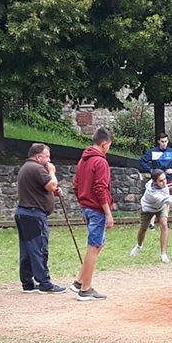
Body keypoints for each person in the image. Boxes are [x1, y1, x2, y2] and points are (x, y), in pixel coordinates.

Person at [14, 143, 67, 294]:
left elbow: (42, 188)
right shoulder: (37, 168)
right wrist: (52, 172)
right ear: (38, 157)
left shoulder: (26, 167)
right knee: (39, 248)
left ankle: (27, 282)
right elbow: (51, 184)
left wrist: (52, 191)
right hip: (34, 215)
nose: (49, 160)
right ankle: (44, 282)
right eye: (47, 157)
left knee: (27, 249)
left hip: (23, 213)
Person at [71, 127, 114, 301]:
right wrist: (108, 212)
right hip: (96, 209)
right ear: (104, 144)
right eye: (109, 145)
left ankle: (80, 281)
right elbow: (100, 188)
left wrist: (83, 204)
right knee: (94, 246)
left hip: (87, 207)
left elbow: (76, 185)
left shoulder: (83, 160)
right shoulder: (100, 162)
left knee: (98, 244)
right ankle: (85, 289)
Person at [130, 169, 172, 263]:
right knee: (143, 229)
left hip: (161, 207)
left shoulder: (162, 183)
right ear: (154, 181)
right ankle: (139, 246)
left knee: (164, 224)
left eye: (164, 179)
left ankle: (163, 254)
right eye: (161, 181)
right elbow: (167, 199)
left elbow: (167, 198)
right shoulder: (152, 192)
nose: (164, 182)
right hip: (148, 208)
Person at [139, 132, 172, 229]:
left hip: (168, 179)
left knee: (167, 200)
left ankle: (164, 221)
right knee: (154, 201)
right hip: (156, 180)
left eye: (166, 141)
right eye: (162, 142)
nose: (164, 143)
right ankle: (151, 224)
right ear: (158, 142)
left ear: (168, 141)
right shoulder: (153, 152)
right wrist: (150, 170)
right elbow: (142, 161)